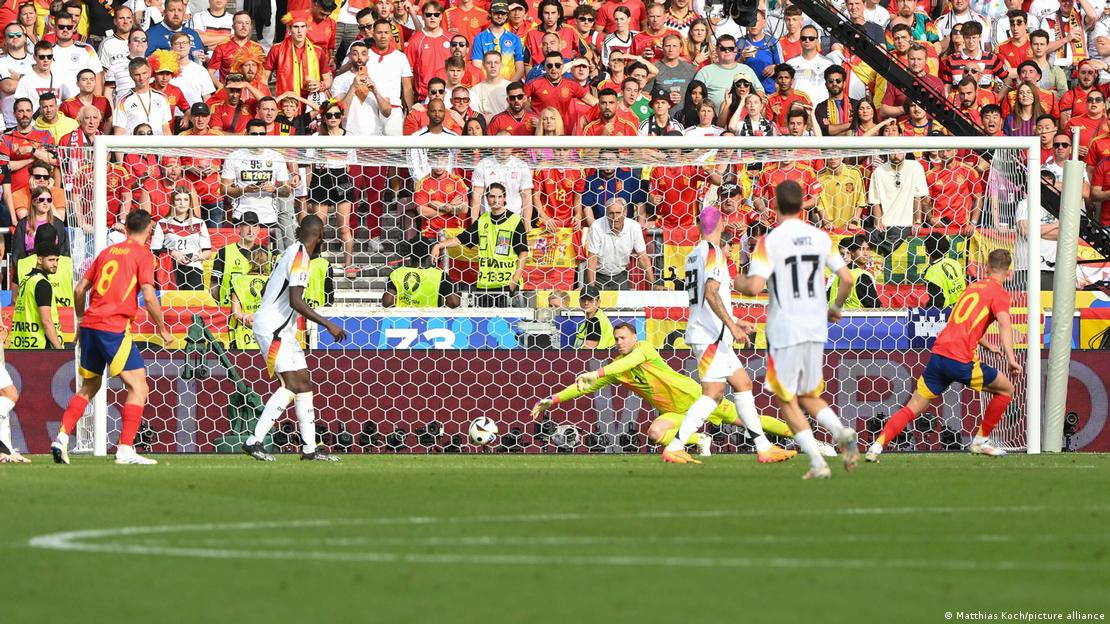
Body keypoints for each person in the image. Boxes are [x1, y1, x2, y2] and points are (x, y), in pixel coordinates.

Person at [535, 322, 819, 459]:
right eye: (617, 338)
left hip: (696, 398)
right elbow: (583, 387)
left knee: (749, 421)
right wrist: (552, 399)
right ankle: (700, 439)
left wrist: (598, 371)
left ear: (634, 337)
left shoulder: (644, 349)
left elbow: (623, 364)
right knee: (655, 433)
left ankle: (808, 439)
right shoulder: (616, 369)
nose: (620, 342)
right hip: (674, 412)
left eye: (624, 337)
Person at [735, 181, 858, 480]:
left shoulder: (770, 241)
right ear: (804, 204)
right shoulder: (821, 237)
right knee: (807, 394)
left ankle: (817, 462)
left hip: (785, 329)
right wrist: (836, 307)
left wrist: (737, 281)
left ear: (775, 205)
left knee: (786, 399)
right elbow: (847, 279)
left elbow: (754, 287)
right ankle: (841, 432)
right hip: (815, 327)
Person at [656, 205, 796, 465]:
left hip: (711, 331)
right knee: (713, 393)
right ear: (721, 224)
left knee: (743, 383)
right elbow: (711, 293)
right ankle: (676, 445)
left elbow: (706, 296)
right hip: (710, 335)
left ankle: (764, 447)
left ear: (699, 226)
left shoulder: (694, 254)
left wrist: (735, 321)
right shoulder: (714, 253)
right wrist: (732, 326)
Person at [866, 249, 1021, 462]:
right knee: (1006, 389)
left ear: (986, 268)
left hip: (939, 355)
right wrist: (1011, 358)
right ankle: (980, 441)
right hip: (960, 359)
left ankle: (876, 446)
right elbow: (1005, 324)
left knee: (912, 408)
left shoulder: (972, 288)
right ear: (1009, 273)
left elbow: (959, 321)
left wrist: (986, 345)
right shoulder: (999, 293)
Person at [50, 209, 172, 465]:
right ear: (149, 231)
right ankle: (125, 448)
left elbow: (80, 289)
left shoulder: (106, 253)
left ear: (125, 228)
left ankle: (61, 437)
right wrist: (162, 328)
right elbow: (149, 297)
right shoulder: (143, 254)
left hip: (90, 326)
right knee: (139, 387)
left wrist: (80, 320)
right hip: (113, 327)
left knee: (90, 386)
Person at [241, 215, 347, 462]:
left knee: (304, 384)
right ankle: (254, 440)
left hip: (281, 327)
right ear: (320, 236)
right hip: (274, 328)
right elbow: (295, 301)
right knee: (290, 384)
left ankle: (310, 449)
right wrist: (328, 324)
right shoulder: (300, 258)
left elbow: (270, 289)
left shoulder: (291, 252)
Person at [431, 182, 527, 308]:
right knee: (486, 319)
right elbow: (461, 239)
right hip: (485, 284)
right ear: (486, 199)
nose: (496, 200)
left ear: (504, 198)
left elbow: (523, 252)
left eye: (499, 196)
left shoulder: (515, 221)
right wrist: (439, 246)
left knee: (506, 319)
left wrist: (514, 281)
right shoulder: (482, 220)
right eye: (492, 196)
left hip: (507, 283)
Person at [585, 197, 655, 291]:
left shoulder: (634, 227)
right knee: (593, 299)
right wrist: (591, 288)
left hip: (620, 276)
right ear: (606, 213)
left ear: (625, 212)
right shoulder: (597, 226)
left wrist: (653, 284)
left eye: (618, 213)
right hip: (597, 276)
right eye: (611, 213)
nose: (615, 218)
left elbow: (643, 257)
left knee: (622, 300)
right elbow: (592, 258)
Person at [8, 238, 64, 350]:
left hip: (21, 346)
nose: (55, 264)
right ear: (39, 260)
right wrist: (59, 351)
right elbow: (46, 321)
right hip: (40, 347)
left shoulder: (27, 280)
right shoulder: (42, 283)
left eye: (57, 260)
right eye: (51, 260)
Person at [151, 188, 212, 289]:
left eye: (186, 199)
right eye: (178, 199)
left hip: (194, 267)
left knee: (193, 299)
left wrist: (195, 257)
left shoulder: (199, 223)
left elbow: (208, 252)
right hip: (169, 269)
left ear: (190, 202)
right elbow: (154, 250)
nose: (182, 203)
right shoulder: (162, 223)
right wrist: (173, 253)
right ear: (172, 202)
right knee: (171, 298)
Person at [381, 254, 461, 308]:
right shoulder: (439, 275)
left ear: (410, 256)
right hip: (431, 320)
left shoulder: (397, 273)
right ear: (429, 256)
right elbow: (454, 302)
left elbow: (388, 302)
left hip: (403, 320)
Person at [827, 235, 879, 309]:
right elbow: (875, 308)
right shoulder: (863, 276)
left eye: (868, 249)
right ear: (852, 252)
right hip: (857, 316)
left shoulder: (837, 274)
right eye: (861, 249)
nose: (866, 253)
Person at [921, 234, 967, 308]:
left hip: (947, 311)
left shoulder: (931, 272)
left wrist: (928, 307)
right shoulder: (955, 263)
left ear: (926, 251)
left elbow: (937, 302)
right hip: (964, 306)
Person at [574, 284, 613, 349]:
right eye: (583, 299)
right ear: (579, 301)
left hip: (598, 355)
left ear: (598, 302)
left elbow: (588, 351)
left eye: (591, 300)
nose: (586, 303)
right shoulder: (598, 317)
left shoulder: (594, 321)